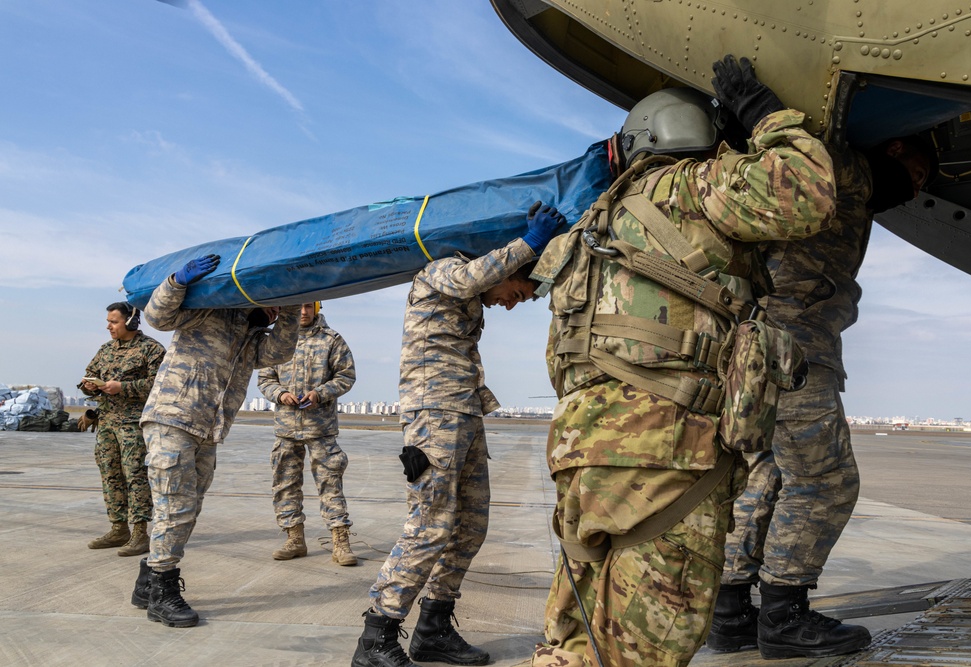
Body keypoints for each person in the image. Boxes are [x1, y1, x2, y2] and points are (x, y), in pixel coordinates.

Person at [528, 54, 839, 667]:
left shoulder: (587, 234)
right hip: (669, 454)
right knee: (648, 646)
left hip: (582, 459)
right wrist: (766, 116)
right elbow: (808, 190)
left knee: (576, 640)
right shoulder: (695, 188)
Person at [707, 135, 937, 659]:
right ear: (896, 148)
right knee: (825, 482)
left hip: (761, 347)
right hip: (795, 349)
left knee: (767, 475)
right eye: (919, 172)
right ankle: (784, 618)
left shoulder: (845, 188)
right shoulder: (845, 169)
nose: (918, 187)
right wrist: (765, 111)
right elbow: (800, 155)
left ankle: (730, 612)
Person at [351, 202, 568, 667]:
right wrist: (529, 242)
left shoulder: (472, 301)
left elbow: (481, 289)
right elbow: (472, 279)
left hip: (465, 413)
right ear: (504, 266)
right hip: (434, 414)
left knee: (470, 526)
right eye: (517, 290)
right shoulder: (443, 271)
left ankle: (433, 627)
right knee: (428, 526)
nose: (513, 302)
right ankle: (376, 637)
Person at [128, 253, 300, 628]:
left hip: (208, 430)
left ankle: (149, 576)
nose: (272, 312)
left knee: (186, 508)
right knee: (176, 507)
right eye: (271, 303)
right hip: (171, 419)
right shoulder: (211, 311)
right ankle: (162, 591)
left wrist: (291, 308)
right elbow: (157, 317)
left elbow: (281, 351)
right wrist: (177, 281)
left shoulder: (254, 339)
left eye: (277, 307)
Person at [257, 301, 358, 565]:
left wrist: (320, 394)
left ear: (316, 307)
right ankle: (294, 539)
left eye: (308, 306)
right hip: (286, 429)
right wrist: (281, 394)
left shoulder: (331, 340)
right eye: (298, 306)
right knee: (285, 485)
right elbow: (265, 379)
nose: (303, 312)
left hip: (320, 428)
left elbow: (346, 376)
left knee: (330, 484)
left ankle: (340, 542)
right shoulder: (277, 341)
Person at [79, 302, 166, 556]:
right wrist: (89, 386)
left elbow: (160, 384)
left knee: (135, 475)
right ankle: (119, 528)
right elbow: (88, 375)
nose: (109, 326)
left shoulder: (150, 349)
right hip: (106, 423)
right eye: (108, 321)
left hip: (133, 424)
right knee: (110, 474)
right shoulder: (105, 350)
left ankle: (140, 533)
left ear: (130, 321)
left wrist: (123, 388)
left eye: (114, 321)